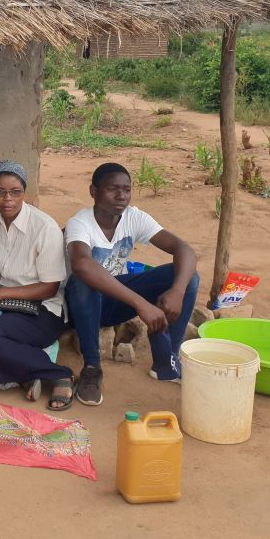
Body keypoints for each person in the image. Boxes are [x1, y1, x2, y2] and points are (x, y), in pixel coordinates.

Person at [64, 162, 199, 407]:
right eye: (112, 189)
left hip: (118, 299)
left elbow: (184, 249)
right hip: (83, 307)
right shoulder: (80, 223)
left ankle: (167, 358)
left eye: (126, 190)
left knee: (187, 277)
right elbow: (82, 264)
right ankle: (92, 368)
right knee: (83, 281)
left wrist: (177, 291)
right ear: (93, 191)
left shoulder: (134, 217)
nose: (121, 196)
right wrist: (141, 304)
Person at [0, 161, 75, 411]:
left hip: (41, 310)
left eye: (15, 191)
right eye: (0, 191)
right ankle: (23, 373)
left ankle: (57, 372)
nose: (7, 199)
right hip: (1, 301)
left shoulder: (45, 227)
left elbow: (50, 288)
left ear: (24, 192)